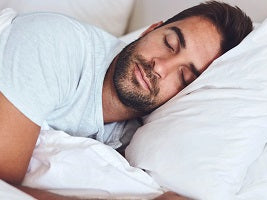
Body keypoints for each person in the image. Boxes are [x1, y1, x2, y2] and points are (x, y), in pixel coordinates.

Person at [0, 1, 252, 199]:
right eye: (169, 43)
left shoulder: (132, 140)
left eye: (184, 77)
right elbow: (4, 187)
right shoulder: (53, 43)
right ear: (152, 29)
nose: (161, 67)